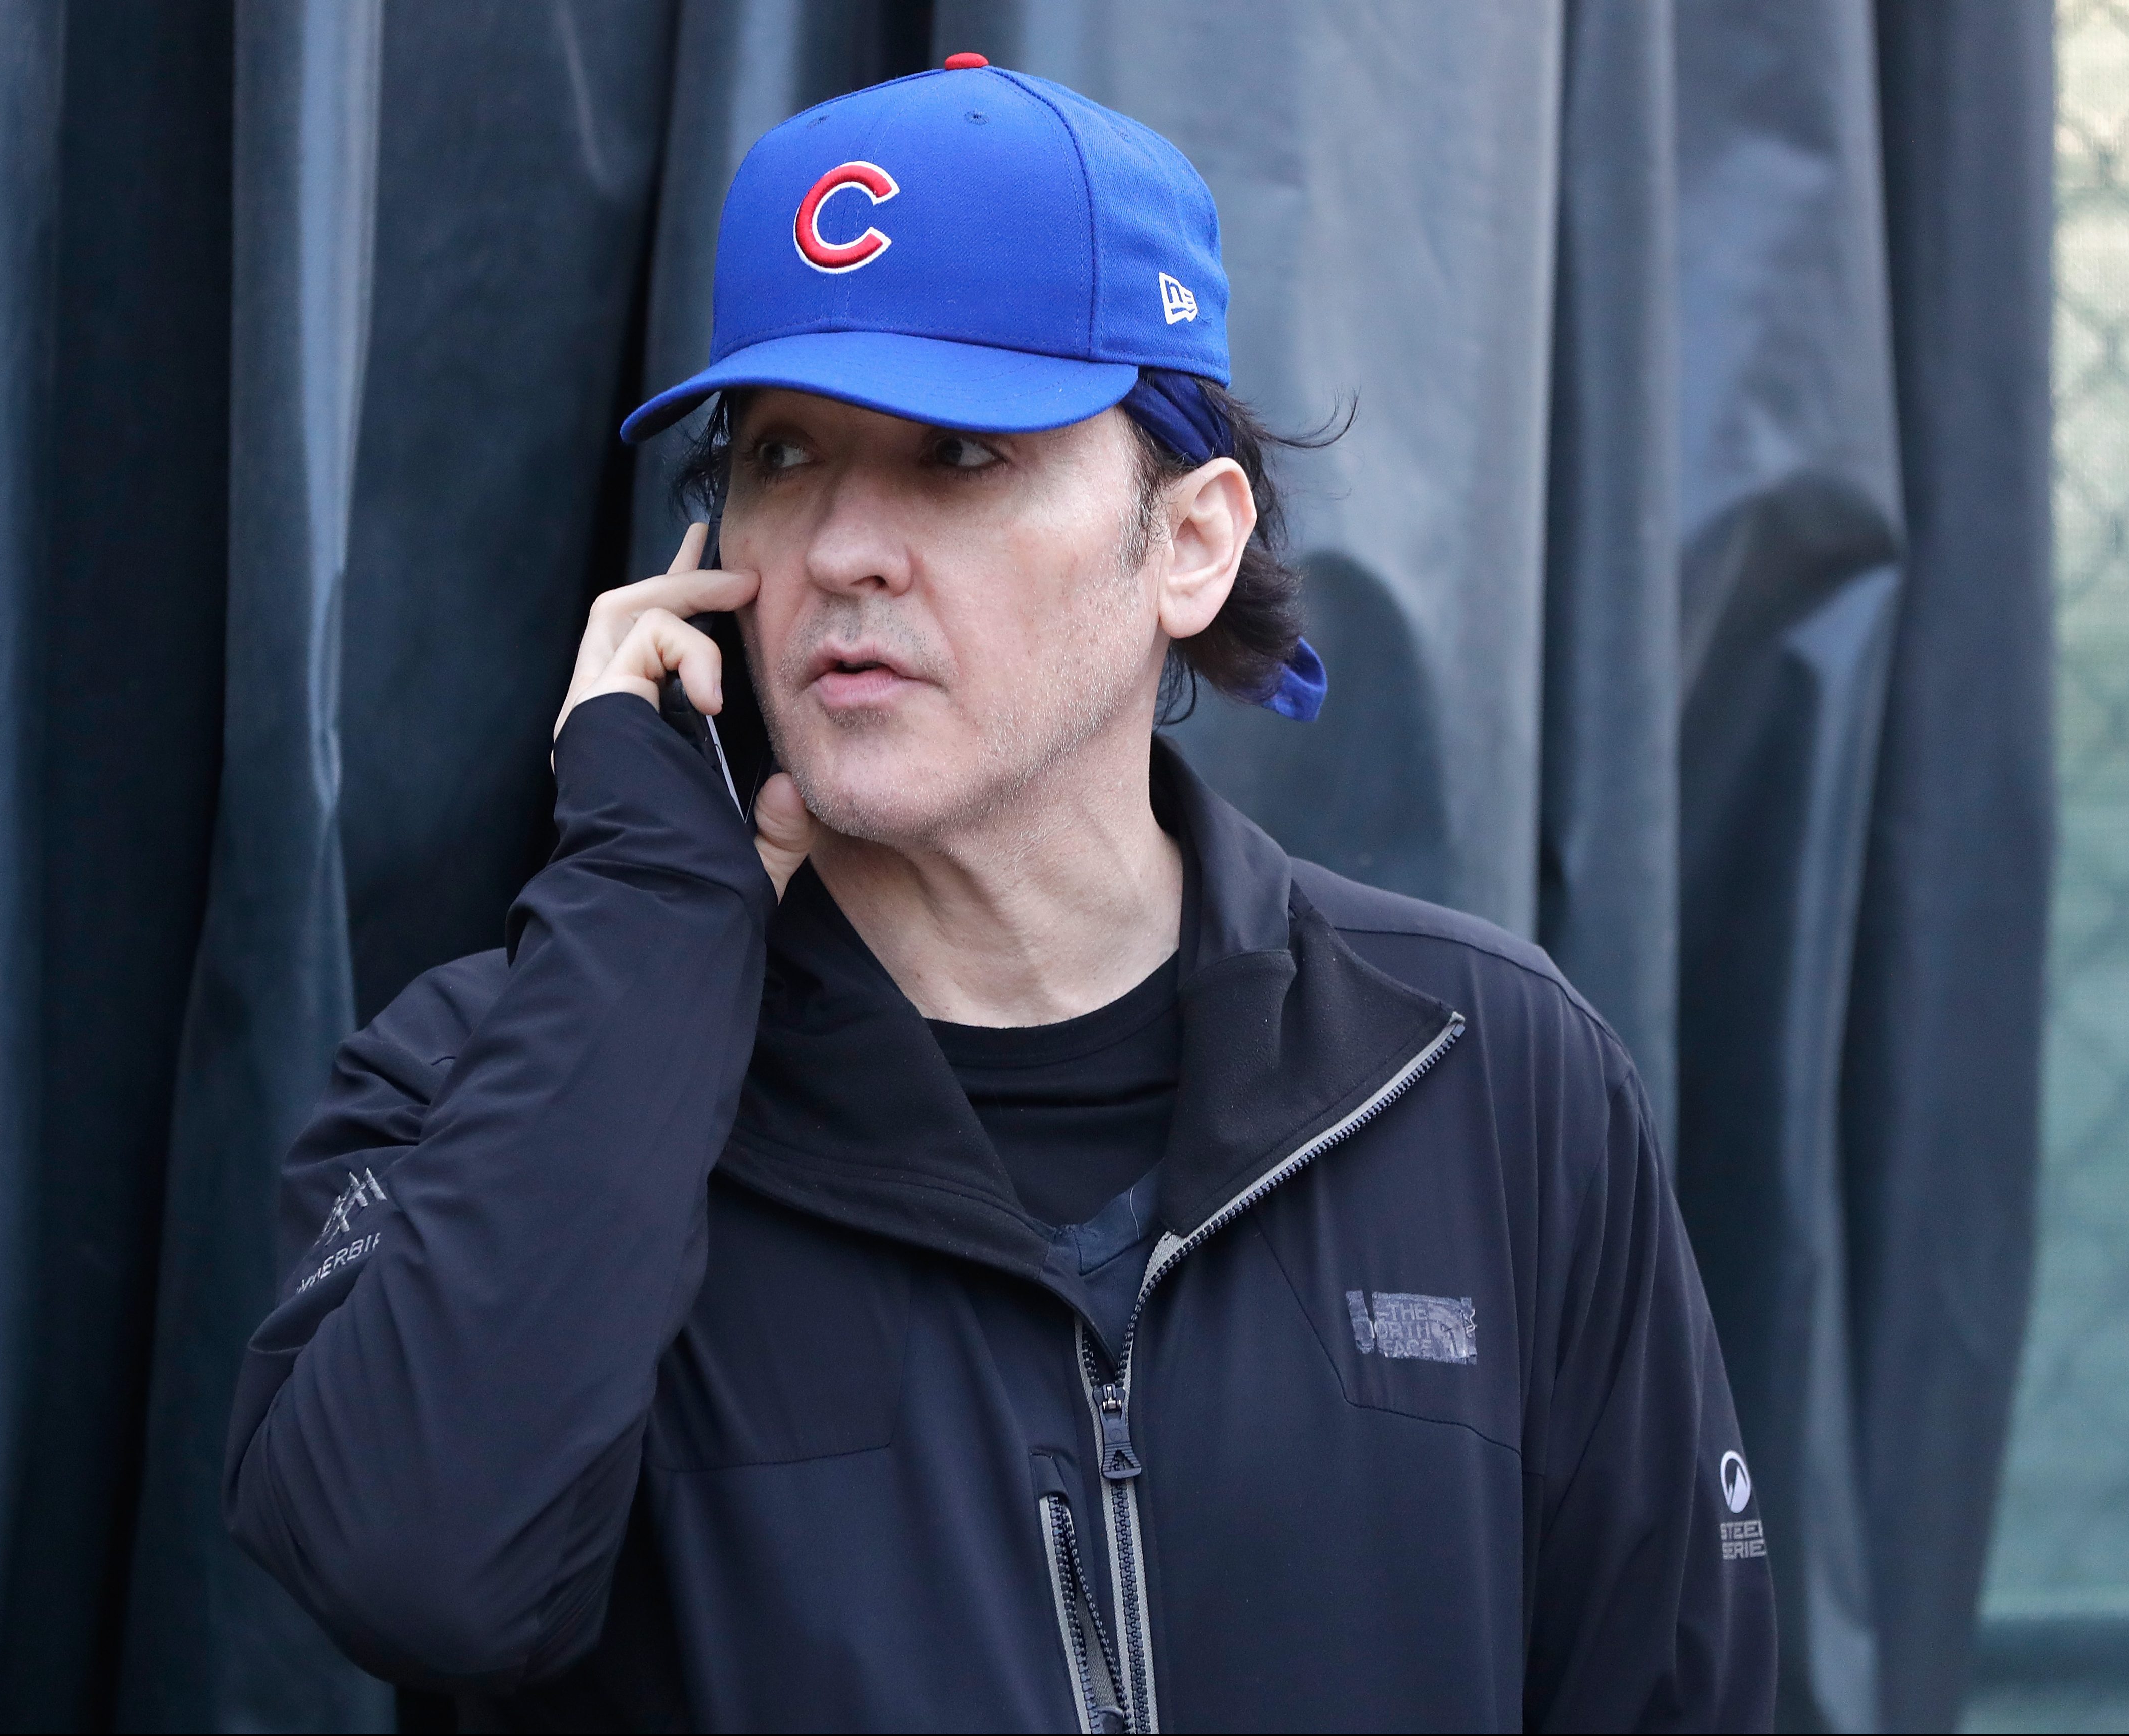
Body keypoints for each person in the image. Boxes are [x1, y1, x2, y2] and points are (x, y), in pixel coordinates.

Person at [226, 56, 1774, 1733]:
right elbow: (416, 1571)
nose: (839, 549)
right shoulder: (488, 1075)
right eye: (785, 454)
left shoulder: (1485, 1070)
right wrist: (648, 915)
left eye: (958, 455)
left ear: (1188, 541)